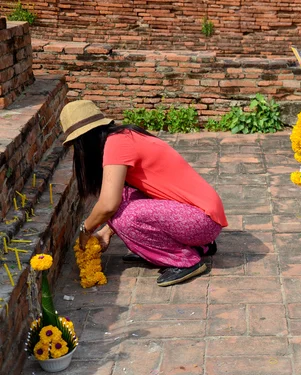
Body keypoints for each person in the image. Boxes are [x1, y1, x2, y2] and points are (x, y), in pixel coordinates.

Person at [60, 100, 227, 287]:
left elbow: (108, 205)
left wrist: (86, 229)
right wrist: (106, 232)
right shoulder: (124, 137)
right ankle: (196, 246)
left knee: (124, 215)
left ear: (84, 140)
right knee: (123, 197)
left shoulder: (116, 144)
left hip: (202, 221)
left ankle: (185, 260)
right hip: (202, 217)